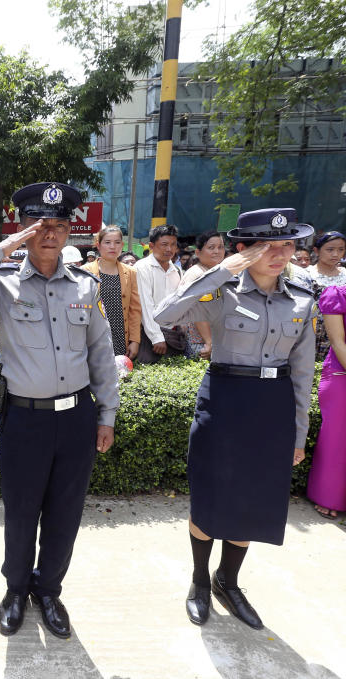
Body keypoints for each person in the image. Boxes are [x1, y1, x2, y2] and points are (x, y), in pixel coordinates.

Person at [0, 182, 119, 640]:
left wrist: (107, 414)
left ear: (69, 232)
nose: (50, 234)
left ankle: (49, 591)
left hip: (77, 417)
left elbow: (101, 352)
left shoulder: (86, 284)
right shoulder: (0, 283)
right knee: (21, 512)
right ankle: (16, 590)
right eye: (39, 225)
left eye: (59, 225)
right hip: (24, 418)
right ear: (23, 229)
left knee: (65, 512)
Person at [154, 208, 316, 630]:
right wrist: (218, 271)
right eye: (267, 245)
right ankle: (199, 581)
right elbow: (165, 316)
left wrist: (298, 434)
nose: (280, 253)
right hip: (225, 400)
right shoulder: (222, 292)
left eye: (287, 244)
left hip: (273, 405)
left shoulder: (301, 297)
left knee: (253, 500)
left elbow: (301, 372)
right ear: (243, 249)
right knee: (210, 496)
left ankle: (228, 580)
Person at [308, 283, 346, 518]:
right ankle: (329, 496)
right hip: (341, 372)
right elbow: (338, 340)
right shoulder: (337, 294)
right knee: (338, 437)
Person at [82, 225, 141, 359]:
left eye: (117, 242)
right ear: (98, 245)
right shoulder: (86, 271)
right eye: (107, 242)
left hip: (121, 333)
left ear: (122, 245)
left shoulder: (130, 272)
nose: (112, 247)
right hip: (94, 335)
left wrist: (135, 340)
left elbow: (135, 309)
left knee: (120, 374)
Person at [134, 224, 184, 363]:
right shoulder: (142, 267)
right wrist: (157, 337)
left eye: (173, 244)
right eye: (164, 244)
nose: (169, 249)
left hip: (173, 334)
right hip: (149, 335)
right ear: (151, 245)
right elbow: (145, 305)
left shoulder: (177, 270)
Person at [178, 230, 226, 359]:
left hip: (211, 339)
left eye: (220, 247)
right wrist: (209, 342)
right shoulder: (198, 274)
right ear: (198, 252)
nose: (217, 251)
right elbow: (199, 312)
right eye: (211, 247)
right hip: (201, 342)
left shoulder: (214, 271)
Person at [306, 231, 346, 362]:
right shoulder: (306, 275)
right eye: (330, 249)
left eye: (341, 249)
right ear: (316, 250)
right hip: (312, 332)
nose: (335, 254)